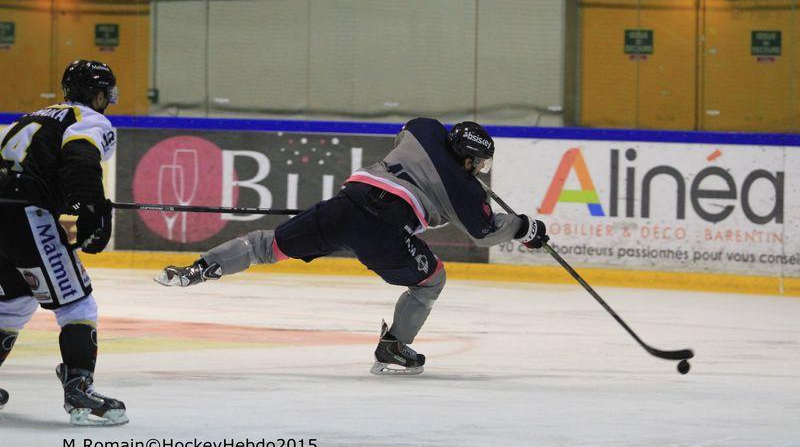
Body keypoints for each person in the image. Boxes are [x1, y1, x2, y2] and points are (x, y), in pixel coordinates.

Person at [156, 118, 549, 375]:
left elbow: (403, 136)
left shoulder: (425, 129)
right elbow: (486, 232)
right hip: (383, 231)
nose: (479, 171)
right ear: (468, 161)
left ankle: (198, 268)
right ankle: (394, 346)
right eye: (479, 163)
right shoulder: (464, 191)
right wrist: (526, 228)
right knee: (431, 279)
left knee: (268, 245)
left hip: (345, 205)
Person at [0, 59, 127, 425]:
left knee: (14, 302)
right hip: (27, 215)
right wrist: (90, 208)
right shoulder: (89, 119)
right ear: (99, 94)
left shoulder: (30, 117)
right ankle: (79, 389)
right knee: (78, 305)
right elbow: (81, 159)